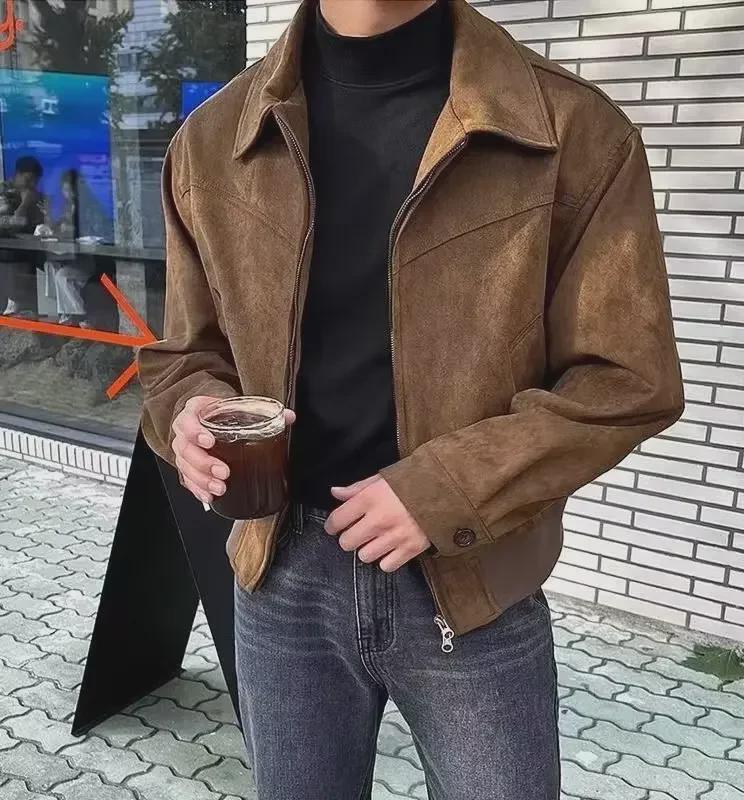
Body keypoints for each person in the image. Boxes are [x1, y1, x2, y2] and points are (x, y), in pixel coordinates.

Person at [137, 0, 685, 797]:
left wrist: (449, 488)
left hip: (471, 581)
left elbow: (628, 379)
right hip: (280, 574)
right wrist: (188, 412)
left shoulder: (570, 131)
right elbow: (186, 355)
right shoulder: (214, 139)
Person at [41, 169, 93, 328]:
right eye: (65, 190)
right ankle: (64, 312)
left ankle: (78, 315)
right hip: (70, 256)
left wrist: (67, 230)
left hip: (88, 259)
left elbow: (88, 230)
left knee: (62, 276)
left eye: (70, 190)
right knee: (50, 265)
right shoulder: (66, 208)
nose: (68, 194)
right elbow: (60, 228)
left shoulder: (88, 206)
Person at [0, 155, 45, 318]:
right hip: (8, 254)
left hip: (30, 251)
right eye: (28, 179)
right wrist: (25, 204)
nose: (31, 185)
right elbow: (11, 224)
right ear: (18, 175)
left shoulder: (35, 195)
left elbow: (40, 221)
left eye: (35, 181)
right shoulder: (5, 192)